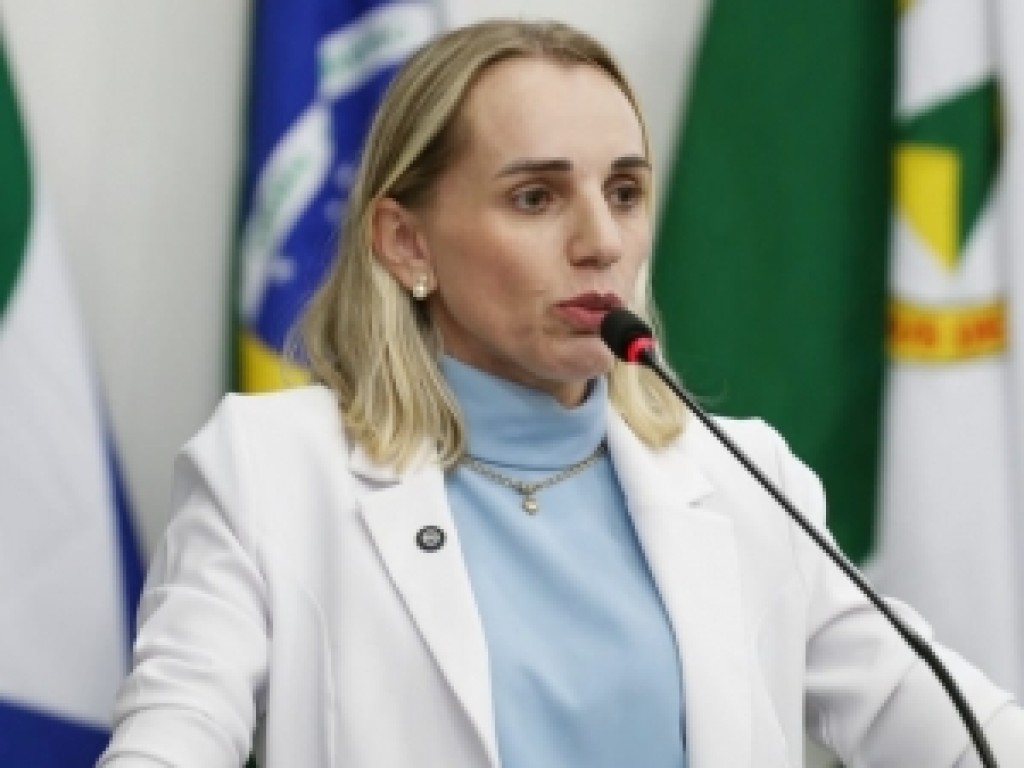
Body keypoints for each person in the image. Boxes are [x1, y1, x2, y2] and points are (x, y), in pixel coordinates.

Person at [98, 18, 1024, 768]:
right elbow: (175, 733)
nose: (602, 243)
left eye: (624, 192)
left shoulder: (744, 477)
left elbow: (956, 729)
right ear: (407, 243)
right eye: (536, 198)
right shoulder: (270, 471)